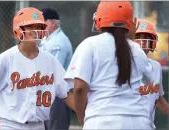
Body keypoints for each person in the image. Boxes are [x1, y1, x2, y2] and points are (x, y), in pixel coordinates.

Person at [64, 1, 154, 129]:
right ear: (131, 22)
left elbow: (79, 88)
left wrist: (81, 116)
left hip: (101, 119)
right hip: (138, 121)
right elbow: (148, 82)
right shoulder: (137, 49)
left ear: (99, 19)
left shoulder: (90, 44)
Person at [0, 7, 75, 130]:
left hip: (38, 125)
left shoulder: (50, 61)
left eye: (39, 26)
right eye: (30, 26)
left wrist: (86, 115)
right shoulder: (7, 58)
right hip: (9, 125)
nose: (35, 30)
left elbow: (66, 93)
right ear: (18, 30)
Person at [40, 8, 73, 130]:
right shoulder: (47, 40)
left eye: (43, 22)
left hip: (57, 95)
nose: (40, 25)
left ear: (53, 23)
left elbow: (52, 71)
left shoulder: (58, 42)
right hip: (48, 93)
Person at [134, 19, 169, 127]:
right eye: (138, 37)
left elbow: (157, 98)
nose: (143, 40)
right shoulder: (122, 64)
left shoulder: (156, 66)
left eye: (146, 36)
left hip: (147, 125)